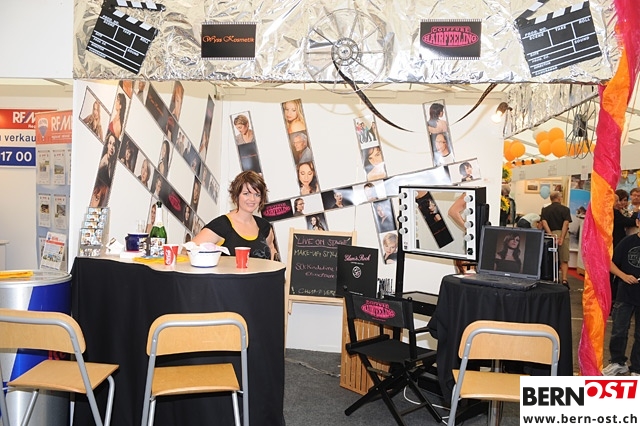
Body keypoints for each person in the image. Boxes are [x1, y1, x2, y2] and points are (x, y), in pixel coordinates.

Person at [193, 171, 277, 260]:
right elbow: (188, 251)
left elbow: (272, 251)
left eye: (257, 194)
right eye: (246, 194)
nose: (252, 199)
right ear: (236, 195)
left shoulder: (265, 227)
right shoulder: (221, 225)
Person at [602, 217, 640, 377]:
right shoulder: (627, 242)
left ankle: (637, 368)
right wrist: (623, 276)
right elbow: (609, 263)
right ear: (637, 222)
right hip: (625, 294)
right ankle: (617, 362)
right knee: (619, 330)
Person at [540, 191, 572, 287]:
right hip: (563, 234)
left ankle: (552, 277)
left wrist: (551, 235)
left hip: (549, 235)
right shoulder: (565, 209)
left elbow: (544, 223)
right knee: (564, 258)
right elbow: (566, 224)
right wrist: (562, 237)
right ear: (559, 198)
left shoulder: (545, 210)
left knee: (550, 257)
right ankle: (564, 280)